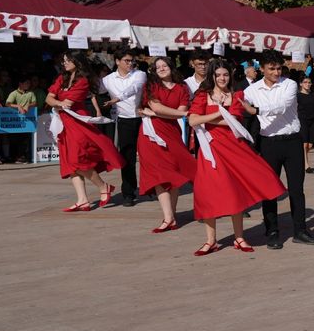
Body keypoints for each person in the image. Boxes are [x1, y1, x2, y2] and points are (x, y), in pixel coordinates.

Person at [188, 59, 287, 256]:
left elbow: (234, 122)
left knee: (236, 191)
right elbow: (193, 120)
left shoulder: (236, 95)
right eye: (218, 75)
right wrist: (218, 116)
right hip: (211, 149)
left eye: (225, 74)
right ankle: (210, 240)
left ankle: (239, 237)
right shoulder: (202, 95)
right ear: (212, 77)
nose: (222, 78)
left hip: (234, 149)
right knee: (207, 193)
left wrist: (212, 117)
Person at [241, 51, 314, 248]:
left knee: (296, 188)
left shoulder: (290, 84)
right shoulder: (251, 91)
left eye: (279, 68)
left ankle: (300, 230)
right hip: (268, 143)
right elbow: (236, 105)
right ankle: (272, 231)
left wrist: (257, 110)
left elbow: (283, 106)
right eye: (272, 69)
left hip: (292, 141)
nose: (276, 72)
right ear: (262, 69)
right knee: (269, 190)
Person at [46, 52, 124, 211]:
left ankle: (103, 186)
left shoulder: (82, 81)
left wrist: (57, 102)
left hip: (77, 122)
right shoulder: (62, 78)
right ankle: (82, 200)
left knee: (77, 159)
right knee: (69, 163)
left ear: (77, 62)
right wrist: (58, 103)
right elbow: (48, 99)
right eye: (64, 60)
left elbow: (67, 103)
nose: (65, 63)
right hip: (63, 123)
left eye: (68, 60)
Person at [137, 56, 195, 233]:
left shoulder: (182, 87)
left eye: (165, 65)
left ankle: (172, 215)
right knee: (159, 175)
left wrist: (156, 113)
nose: (162, 68)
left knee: (174, 174)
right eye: (158, 67)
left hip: (172, 134)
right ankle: (168, 218)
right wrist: (158, 112)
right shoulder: (151, 86)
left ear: (171, 67)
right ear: (154, 71)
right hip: (151, 135)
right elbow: (159, 108)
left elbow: (180, 112)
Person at [99, 49, 146, 206]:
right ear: (117, 61)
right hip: (125, 121)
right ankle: (129, 192)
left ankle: (153, 187)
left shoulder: (139, 74)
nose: (130, 63)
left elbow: (135, 88)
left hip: (144, 119)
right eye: (126, 60)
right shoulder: (107, 80)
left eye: (131, 60)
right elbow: (95, 91)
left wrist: (117, 98)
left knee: (149, 156)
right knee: (127, 158)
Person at [297, 76, 314, 173]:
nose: (308, 84)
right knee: (304, 144)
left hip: (312, 120)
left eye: (309, 82)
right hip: (302, 120)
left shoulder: (313, 95)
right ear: (301, 84)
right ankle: (306, 165)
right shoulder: (298, 96)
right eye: (305, 82)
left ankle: (302, 159)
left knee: (310, 145)